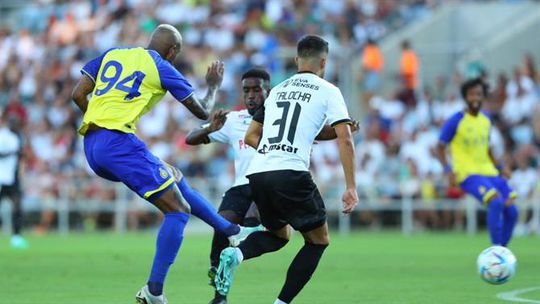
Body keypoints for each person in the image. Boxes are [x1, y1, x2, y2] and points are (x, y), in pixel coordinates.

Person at [71, 24, 259, 304]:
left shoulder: (114, 53)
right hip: (118, 144)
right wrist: (214, 86)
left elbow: (77, 94)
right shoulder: (160, 66)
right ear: (172, 51)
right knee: (178, 211)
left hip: (92, 144)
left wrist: (101, 123)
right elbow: (203, 110)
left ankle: (230, 230)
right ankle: (154, 291)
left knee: (173, 174)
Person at [185, 68, 358, 304]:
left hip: (261, 185)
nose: (251, 96)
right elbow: (190, 138)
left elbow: (319, 131)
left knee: (265, 231)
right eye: (246, 90)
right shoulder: (233, 119)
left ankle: (241, 244)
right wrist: (210, 129)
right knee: (225, 226)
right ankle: (220, 289)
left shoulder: (279, 115)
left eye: (256, 90)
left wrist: (341, 129)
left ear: (269, 91)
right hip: (246, 186)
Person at [436, 78, 518, 247]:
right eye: (471, 94)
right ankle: (495, 252)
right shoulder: (455, 120)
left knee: (512, 210)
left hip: (489, 171)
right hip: (468, 173)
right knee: (495, 202)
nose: (475, 97)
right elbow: (440, 147)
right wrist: (448, 170)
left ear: (483, 97)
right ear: (465, 97)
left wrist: (501, 167)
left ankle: (502, 251)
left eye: (479, 94)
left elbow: (486, 148)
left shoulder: (486, 119)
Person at [0, 114, 28, 249]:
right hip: (1, 176)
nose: (16, 126)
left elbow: (20, 156)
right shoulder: (3, 135)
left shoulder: (18, 137)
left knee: (17, 207)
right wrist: (13, 152)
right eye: (14, 123)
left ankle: (16, 237)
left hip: (12, 177)